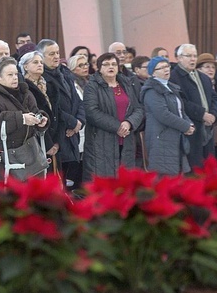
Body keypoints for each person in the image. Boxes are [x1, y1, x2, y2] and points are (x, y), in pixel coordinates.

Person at [0, 57, 48, 197]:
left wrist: (41, 120)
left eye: (16, 74)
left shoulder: (24, 92)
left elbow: (34, 111)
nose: (15, 78)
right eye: (10, 75)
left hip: (24, 154)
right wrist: (20, 118)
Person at [82, 53, 144, 181]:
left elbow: (138, 109)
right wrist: (118, 127)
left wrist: (129, 123)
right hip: (102, 140)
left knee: (125, 179)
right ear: (99, 68)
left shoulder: (126, 84)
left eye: (114, 64)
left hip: (126, 139)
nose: (111, 67)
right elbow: (92, 112)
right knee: (105, 181)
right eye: (106, 64)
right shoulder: (92, 86)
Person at [38, 39, 85, 189]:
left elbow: (78, 100)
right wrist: (72, 122)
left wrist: (79, 122)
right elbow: (52, 106)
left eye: (57, 53)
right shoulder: (42, 77)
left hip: (73, 133)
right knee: (58, 180)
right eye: (51, 54)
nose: (56, 56)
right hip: (58, 132)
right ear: (41, 56)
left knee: (71, 179)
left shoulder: (65, 73)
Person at [140, 57, 194, 175]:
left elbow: (180, 110)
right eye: (161, 68)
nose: (166, 70)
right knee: (165, 178)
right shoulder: (151, 91)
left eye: (167, 66)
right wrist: (185, 126)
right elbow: (163, 114)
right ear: (153, 72)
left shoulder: (171, 87)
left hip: (175, 137)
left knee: (179, 177)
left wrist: (189, 124)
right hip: (161, 139)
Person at [171, 43, 217, 169]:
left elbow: (215, 97)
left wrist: (213, 115)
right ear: (179, 58)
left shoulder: (204, 77)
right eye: (188, 56)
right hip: (190, 129)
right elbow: (181, 102)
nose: (193, 59)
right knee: (194, 169)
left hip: (208, 128)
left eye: (194, 56)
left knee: (209, 167)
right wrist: (202, 114)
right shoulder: (173, 77)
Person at [20, 50, 58, 166]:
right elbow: (33, 113)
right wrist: (48, 143)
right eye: (35, 62)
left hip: (54, 135)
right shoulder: (23, 88)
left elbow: (56, 112)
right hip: (38, 138)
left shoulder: (49, 85)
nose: (40, 64)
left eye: (41, 62)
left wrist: (57, 141)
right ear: (25, 66)